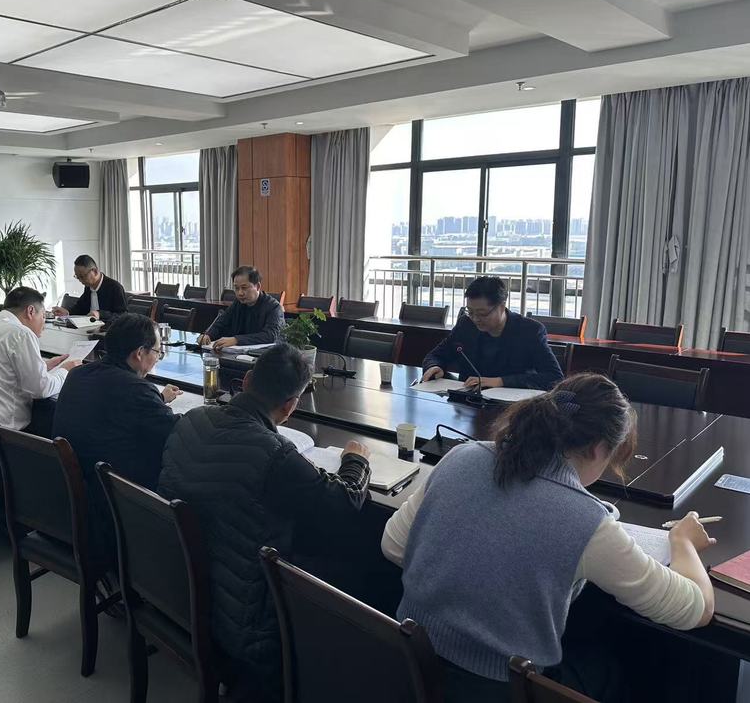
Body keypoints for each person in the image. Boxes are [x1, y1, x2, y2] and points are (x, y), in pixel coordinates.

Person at [381, 373, 715, 703]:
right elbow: (695, 610)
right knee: (620, 666)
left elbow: (393, 545)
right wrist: (683, 542)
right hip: (501, 690)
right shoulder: (587, 521)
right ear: (599, 448)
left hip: (411, 666)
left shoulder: (461, 457)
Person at [158, 343, 371, 702]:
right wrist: (356, 460)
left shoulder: (192, 419)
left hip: (176, 582)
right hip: (243, 618)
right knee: (356, 565)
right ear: (291, 406)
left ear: (246, 380)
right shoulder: (274, 453)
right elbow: (345, 501)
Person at [53, 312, 182, 563]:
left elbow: (114, 405)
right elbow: (176, 433)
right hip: (113, 507)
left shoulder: (78, 375)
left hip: (70, 500)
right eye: (157, 352)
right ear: (139, 353)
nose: (157, 358)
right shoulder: (137, 391)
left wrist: (158, 398)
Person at [0, 286, 81, 477]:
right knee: (60, 437)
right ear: (30, 311)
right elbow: (41, 389)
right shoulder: (20, 333)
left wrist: (45, 365)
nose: (44, 323)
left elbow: (2, 367)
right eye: (44, 316)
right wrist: (65, 371)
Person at [421, 275, 563, 390]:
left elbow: (554, 377)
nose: (475, 319)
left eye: (482, 313)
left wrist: (500, 381)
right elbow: (436, 355)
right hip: (467, 400)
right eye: (470, 312)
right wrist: (434, 366)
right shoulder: (466, 324)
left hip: (510, 407)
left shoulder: (530, 331)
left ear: (502, 306)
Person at [196, 265, 284, 350]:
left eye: (244, 288)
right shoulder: (238, 303)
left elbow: (270, 335)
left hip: (264, 355)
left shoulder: (274, 307)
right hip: (237, 354)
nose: (240, 293)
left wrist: (236, 340)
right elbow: (221, 323)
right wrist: (208, 335)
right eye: (236, 288)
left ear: (257, 286)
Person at [52, 254, 127, 321]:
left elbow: (123, 316)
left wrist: (100, 314)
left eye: (82, 276)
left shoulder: (115, 287)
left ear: (95, 271)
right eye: (77, 277)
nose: (80, 280)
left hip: (108, 329)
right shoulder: (88, 287)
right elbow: (80, 308)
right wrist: (67, 312)